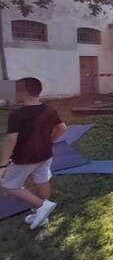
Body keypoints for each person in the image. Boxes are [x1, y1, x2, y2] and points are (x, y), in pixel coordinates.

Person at [0, 78, 67, 229]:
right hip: (45, 155)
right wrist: (50, 141)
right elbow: (62, 128)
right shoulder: (49, 109)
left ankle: (41, 206)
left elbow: (11, 140)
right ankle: (42, 216)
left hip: (24, 158)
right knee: (42, 181)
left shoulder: (16, 115)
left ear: (23, 92)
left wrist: (2, 165)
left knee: (9, 185)